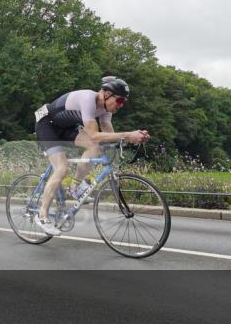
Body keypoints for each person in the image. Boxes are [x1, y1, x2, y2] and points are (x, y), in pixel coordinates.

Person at [32, 76, 149, 236]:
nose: (120, 106)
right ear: (106, 94)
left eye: (124, 103)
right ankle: (42, 215)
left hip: (66, 128)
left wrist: (132, 140)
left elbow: (108, 135)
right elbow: (94, 134)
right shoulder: (88, 98)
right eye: (120, 101)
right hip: (47, 124)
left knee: (95, 147)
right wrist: (129, 134)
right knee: (62, 167)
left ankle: (74, 186)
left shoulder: (106, 110)